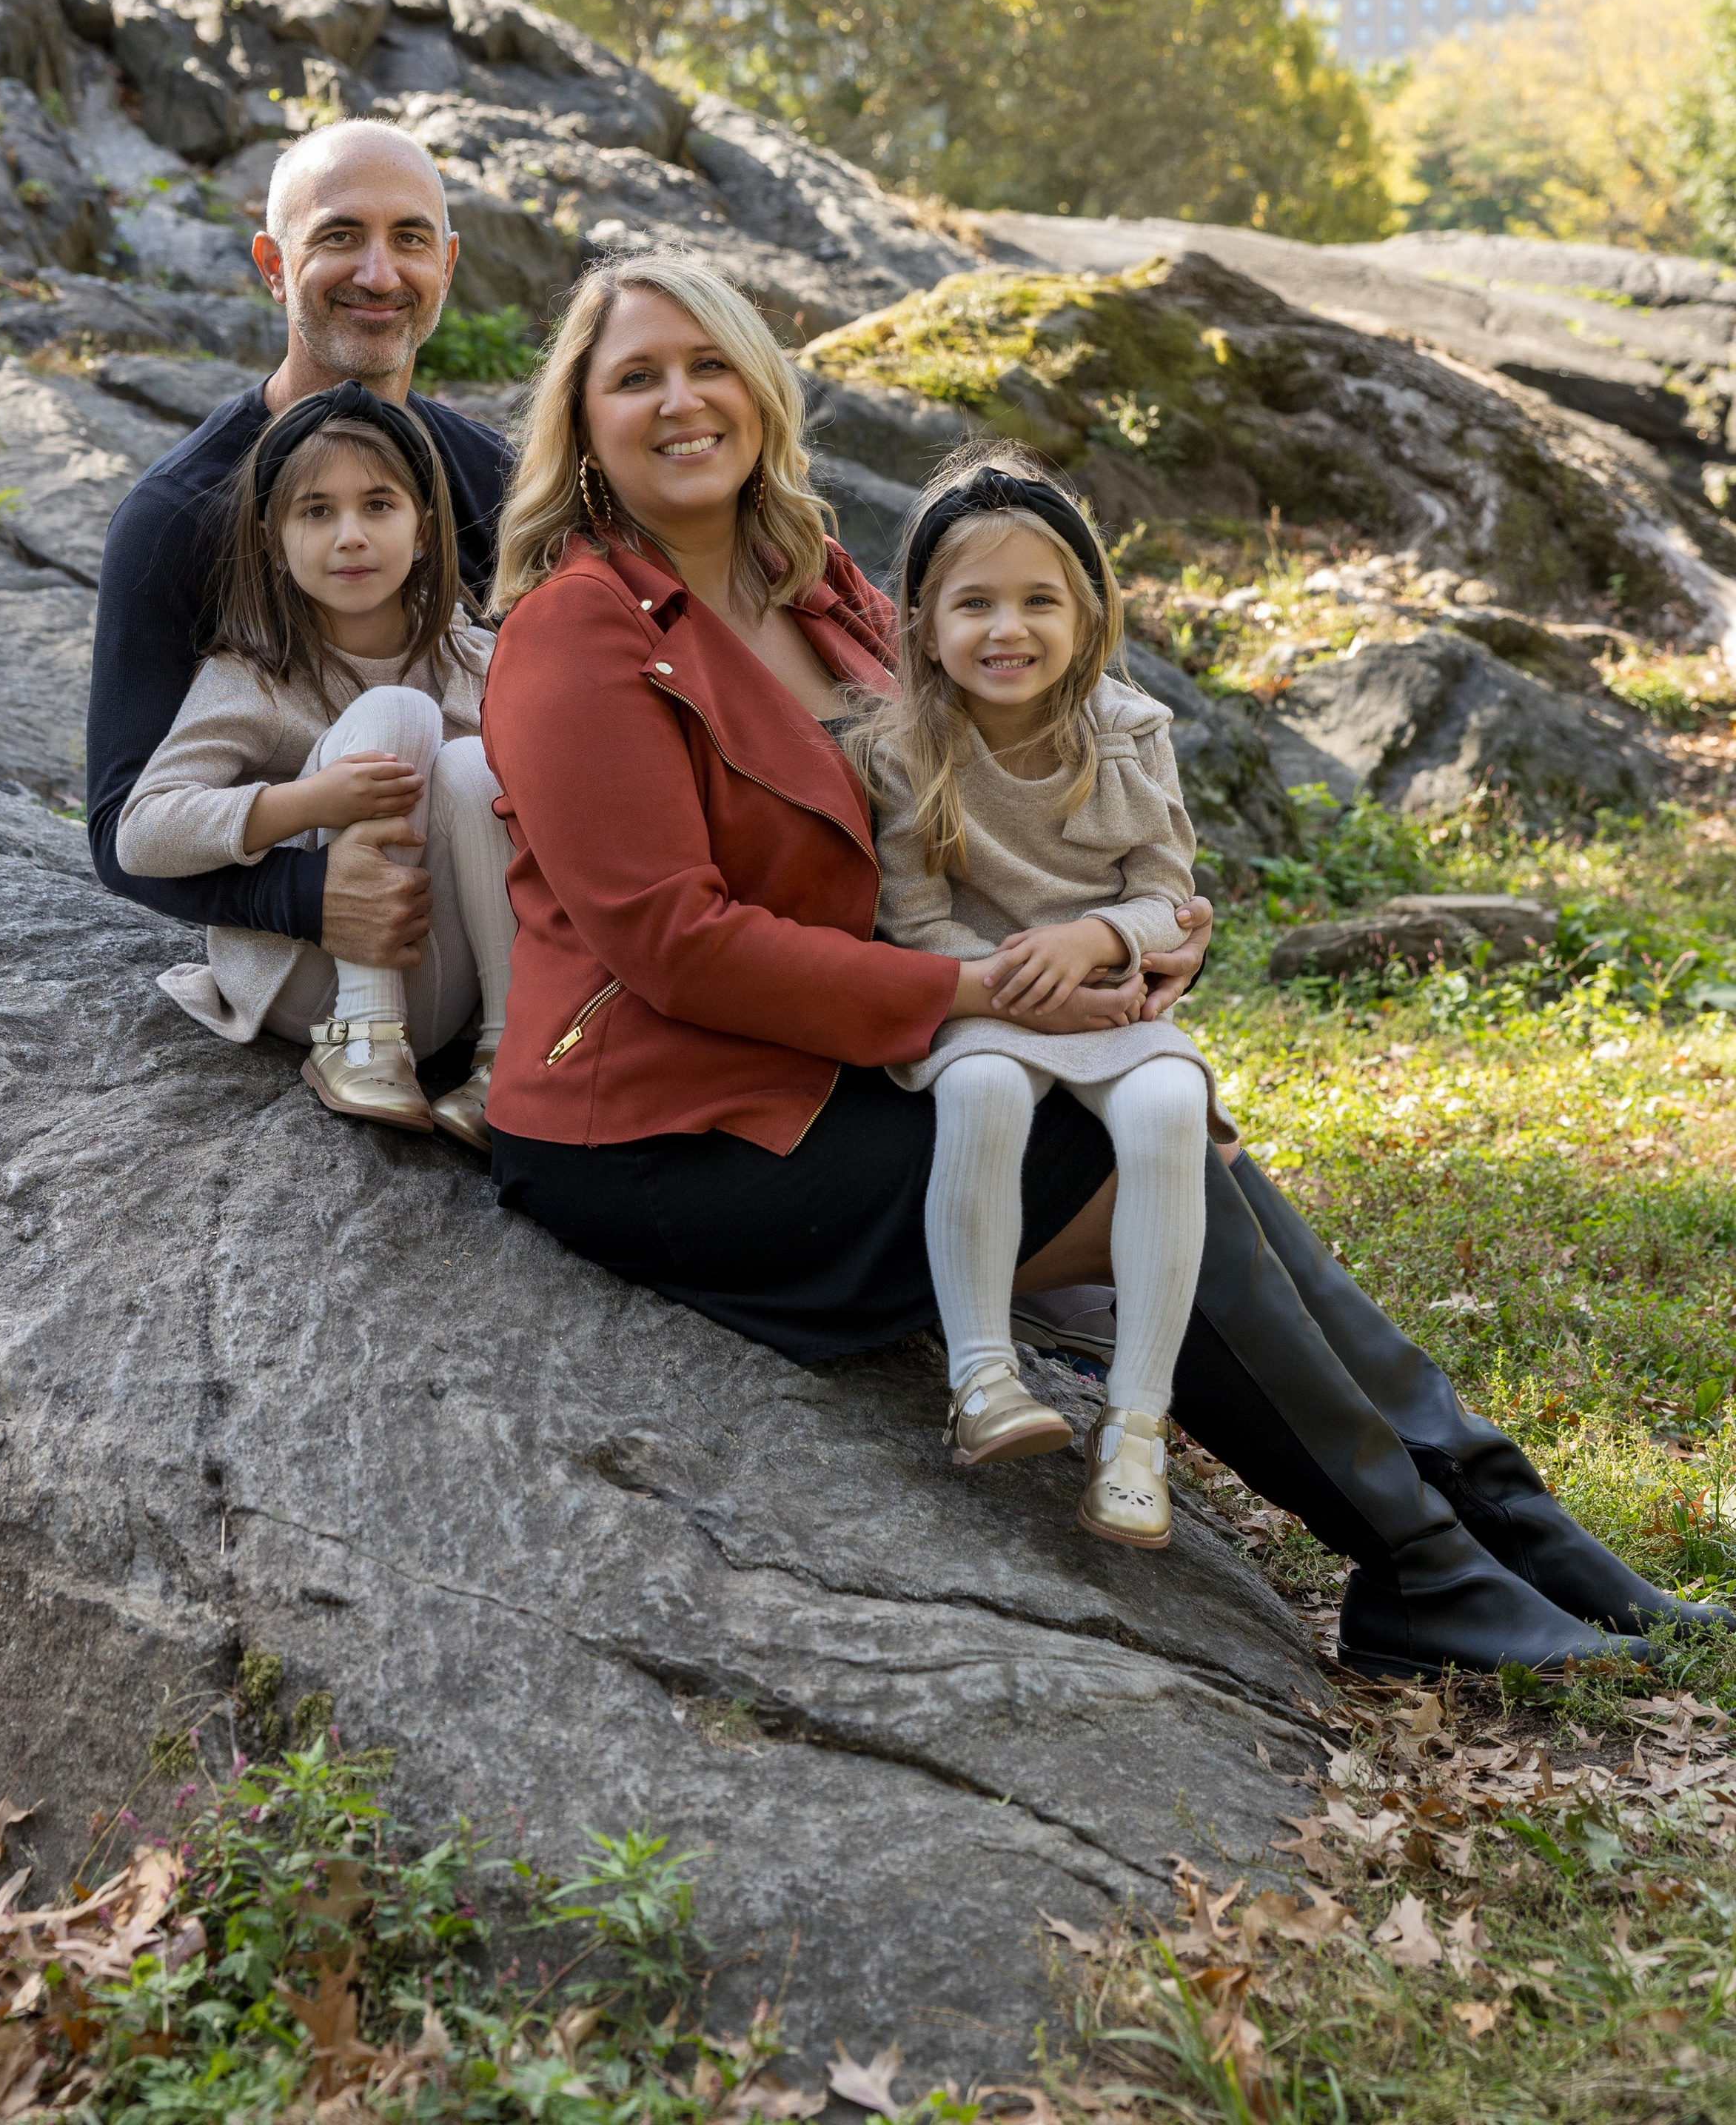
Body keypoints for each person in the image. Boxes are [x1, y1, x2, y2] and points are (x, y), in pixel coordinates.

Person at [477, 250, 1727, 1678]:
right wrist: (990, 992)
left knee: (1183, 1134)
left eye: (709, 365)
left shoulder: (820, 589)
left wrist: (1136, 936)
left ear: (761, 389)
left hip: (853, 1054)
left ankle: (1506, 1524)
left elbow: (995, 793)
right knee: (1134, 1169)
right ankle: (1426, 1567)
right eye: (636, 377)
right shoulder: (576, 633)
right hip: (671, 1126)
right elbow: (673, 947)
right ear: (582, 422)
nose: (681, 401)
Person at [857, 444, 1236, 1550]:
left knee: (1169, 1108)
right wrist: (1014, 990)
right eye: (974, 603)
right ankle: (982, 1377)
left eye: (1039, 601)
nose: (1006, 629)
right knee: (980, 1095)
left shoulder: (1129, 731)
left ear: (1087, 616)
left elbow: (1168, 894)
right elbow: (912, 919)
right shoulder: (903, 749)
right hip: (979, 1003)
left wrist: (1097, 938)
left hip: (1110, 1001)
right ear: (924, 623)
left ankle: (1137, 1422)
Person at [86, 120, 511, 1028]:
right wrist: (306, 896)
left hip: (479, 941)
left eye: (410, 239)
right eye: (340, 236)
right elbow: (123, 829)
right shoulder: (174, 519)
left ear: (447, 264)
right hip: (319, 973)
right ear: (274, 266)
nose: (379, 274)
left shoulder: (496, 483)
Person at [115, 385, 512, 1142]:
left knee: (474, 767)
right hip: (307, 984)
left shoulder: (477, 661)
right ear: (273, 540)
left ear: (424, 530)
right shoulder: (254, 677)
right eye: (317, 511)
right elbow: (140, 835)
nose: (350, 537)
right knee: (399, 715)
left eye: (378, 506)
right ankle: (361, 1036)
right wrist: (307, 803)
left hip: (437, 983)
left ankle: (510, 1054)